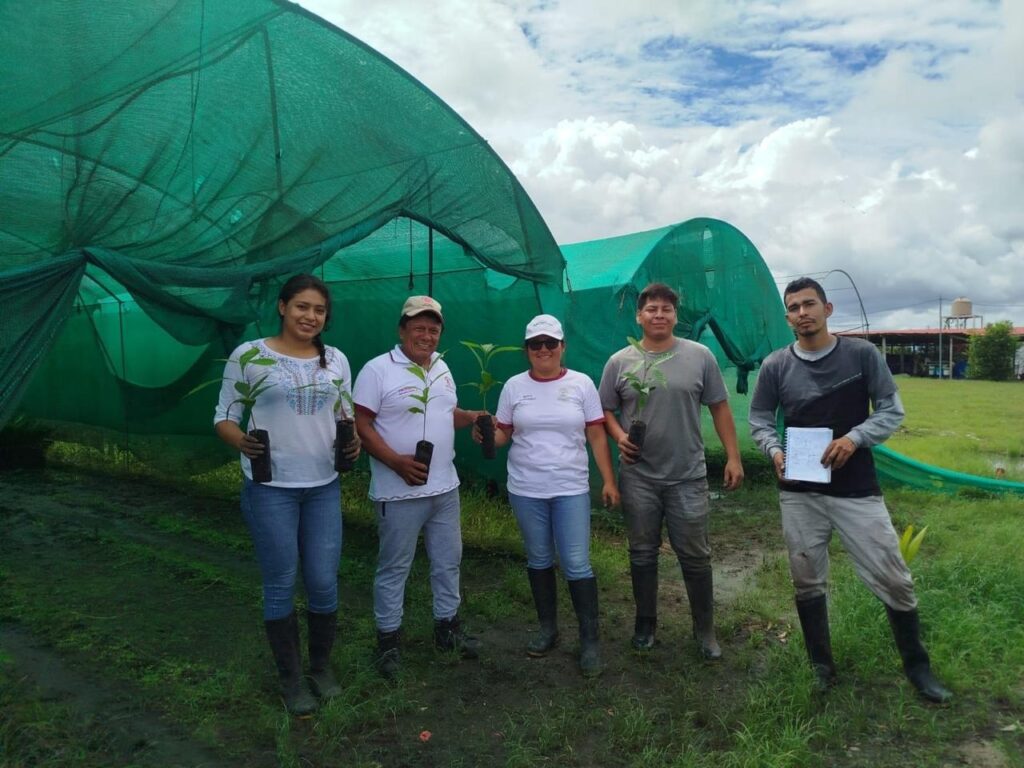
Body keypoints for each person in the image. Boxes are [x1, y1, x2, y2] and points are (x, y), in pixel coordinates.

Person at [748, 277, 951, 703]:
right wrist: (772, 450)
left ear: (827, 309)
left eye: (809, 304)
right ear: (787, 317)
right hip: (799, 490)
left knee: (893, 576)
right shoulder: (776, 366)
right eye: (794, 308)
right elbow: (761, 418)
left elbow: (892, 410)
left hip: (856, 489)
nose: (802, 313)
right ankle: (821, 666)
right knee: (806, 577)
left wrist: (854, 438)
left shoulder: (860, 355)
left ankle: (918, 668)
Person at [214, 274, 359, 716]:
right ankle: (291, 680)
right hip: (270, 487)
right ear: (282, 307)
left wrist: (350, 442)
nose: (309, 316)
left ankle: (320, 668)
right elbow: (224, 417)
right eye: (301, 307)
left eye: (318, 310)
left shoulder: (335, 360)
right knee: (280, 581)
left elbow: (344, 414)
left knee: (322, 579)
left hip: (322, 486)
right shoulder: (250, 356)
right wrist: (241, 442)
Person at [598, 282, 744, 657]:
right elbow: (604, 411)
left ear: (676, 316)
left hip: (687, 474)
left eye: (666, 309)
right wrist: (619, 437)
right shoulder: (621, 361)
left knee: (695, 555)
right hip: (638, 476)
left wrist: (733, 456)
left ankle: (705, 631)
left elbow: (719, 407)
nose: (659, 315)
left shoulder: (699, 356)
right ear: (639, 316)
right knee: (642, 552)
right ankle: (645, 624)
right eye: (651, 309)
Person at [479, 314, 620, 677]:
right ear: (527, 350)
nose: (543, 350)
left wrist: (608, 480)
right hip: (526, 488)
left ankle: (589, 640)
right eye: (535, 344)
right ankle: (548, 629)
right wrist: (486, 436)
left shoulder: (581, 384)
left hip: (570, 487)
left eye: (550, 343)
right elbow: (503, 434)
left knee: (576, 562)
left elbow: (596, 436)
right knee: (539, 558)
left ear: (562, 347)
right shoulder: (513, 387)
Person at [353, 295, 484, 677]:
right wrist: (395, 461)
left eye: (433, 329)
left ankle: (448, 629)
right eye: (418, 328)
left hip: (445, 488)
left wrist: (471, 416)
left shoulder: (442, 368)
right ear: (402, 329)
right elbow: (362, 424)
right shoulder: (378, 370)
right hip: (398, 491)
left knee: (448, 562)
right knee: (395, 567)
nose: (426, 336)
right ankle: (388, 642)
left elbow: (447, 413)